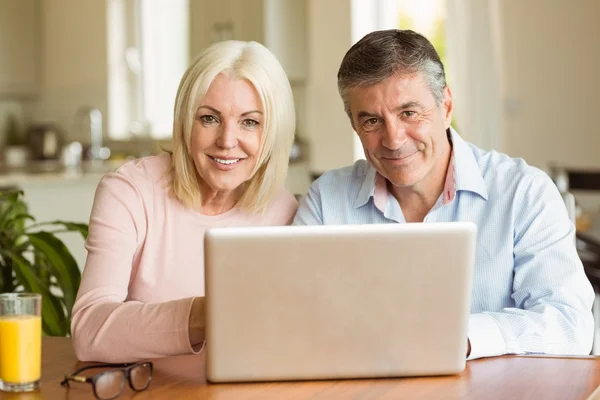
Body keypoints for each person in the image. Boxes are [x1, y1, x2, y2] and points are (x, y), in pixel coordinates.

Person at [293, 29, 595, 359]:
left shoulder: (524, 193)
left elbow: (571, 325)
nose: (393, 140)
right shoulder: (325, 201)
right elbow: (290, 318)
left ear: (446, 106)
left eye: (409, 113)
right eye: (372, 121)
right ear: (355, 125)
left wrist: (455, 339)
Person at [72, 40, 298, 362]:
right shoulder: (130, 192)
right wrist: (203, 315)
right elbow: (89, 331)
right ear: (185, 122)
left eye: (250, 122)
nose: (227, 141)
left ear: (273, 133)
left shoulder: (286, 212)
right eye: (209, 118)